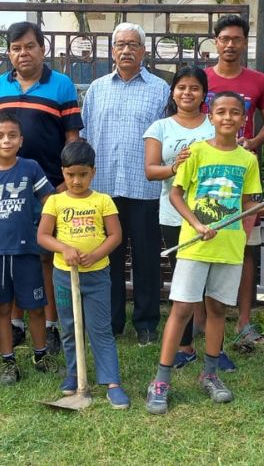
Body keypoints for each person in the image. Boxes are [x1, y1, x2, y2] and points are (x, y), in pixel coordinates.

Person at [145, 91, 264, 415]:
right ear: (210, 116)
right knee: (182, 307)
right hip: (196, 244)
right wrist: (196, 224)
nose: (227, 118)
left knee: (218, 309)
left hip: (229, 246)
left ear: (243, 120)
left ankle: (210, 375)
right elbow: (176, 195)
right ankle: (161, 380)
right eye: (221, 112)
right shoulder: (195, 153)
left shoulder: (247, 159)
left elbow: (248, 204)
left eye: (234, 113)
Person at [0, 21, 82, 351]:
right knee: (13, 255)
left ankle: (52, 325)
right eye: (16, 48)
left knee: (45, 258)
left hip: (50, 189)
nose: (23, 53)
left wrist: (66, 184)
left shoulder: (62, 85)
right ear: (9, 53)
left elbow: (72, 138)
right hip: (7, 191)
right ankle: (14, 324)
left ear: (43, 49)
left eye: (29, 46)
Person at [80, 22, 170, 345]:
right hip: (103, 189)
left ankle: (146, 323)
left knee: (147, 259)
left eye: (133, 44)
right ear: (112, 50)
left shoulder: (161, 89)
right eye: (120, 45)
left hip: (144, 189)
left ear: (144, 51)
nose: (126, 50)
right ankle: (112, 322)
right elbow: (86, 136)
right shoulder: (97, 89)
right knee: (108, 260)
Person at [38, 141, 130, 409]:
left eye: (82, 174)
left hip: (97, 277)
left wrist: (98, 254)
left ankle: (112, 382)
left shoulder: (103, 201)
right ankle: (74, 375)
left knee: (100, 329)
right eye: (70, 175)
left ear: (93, 172)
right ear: (63, 172)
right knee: (69, 327)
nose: (76, 181)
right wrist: (64, 248)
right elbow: (43, 236)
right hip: (64, 277)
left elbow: (115, 235)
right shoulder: (55, 201)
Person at [205, 14, 264, 353]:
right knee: (207, 243)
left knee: (245, 248)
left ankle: (244, 321)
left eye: (236, 39)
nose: (230, 44)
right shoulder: (202, 79)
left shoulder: (259, 80)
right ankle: (204, 321)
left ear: (245, 42)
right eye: (224, 39)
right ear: (215, 42)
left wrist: (253, 143)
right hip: (206, 180)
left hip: (243, 179)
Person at [0, 113, 58, 384]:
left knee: (36, 307)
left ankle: (41, 354)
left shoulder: (31, 168)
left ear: (21, 140)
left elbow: (50, 201)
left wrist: (42, 230)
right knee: (2, 308)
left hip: (27, 251)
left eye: (11, 136)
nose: (5, 140)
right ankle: (8, 361)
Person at [144, 66, 213, 368]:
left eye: (194, 88)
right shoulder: (160, 127)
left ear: (203, 93)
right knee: (183, 281)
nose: (187, 93)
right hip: (174, 214)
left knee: (212, 282)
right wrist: (176, 167)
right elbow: (150, 171)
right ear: (173, 91)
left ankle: (214, 346)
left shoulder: (215, 125)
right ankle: (184, 345)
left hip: (213, 214)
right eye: (182, 87)